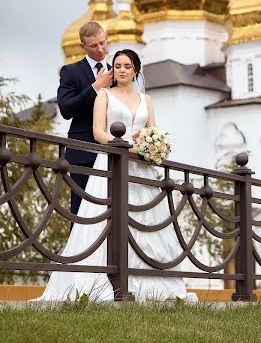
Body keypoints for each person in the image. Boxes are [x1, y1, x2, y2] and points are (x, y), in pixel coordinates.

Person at [39, 49, 196, 302]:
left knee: (145, 221)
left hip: (141, 169)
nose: (121, 70)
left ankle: (153, 285)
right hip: (111, 163)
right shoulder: (104, 95)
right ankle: (106, 282)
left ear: (135, 70)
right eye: (117, 65)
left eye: (127, 66)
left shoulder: (147, 100)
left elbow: (151, 130)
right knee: (104, 220)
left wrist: (153, 146)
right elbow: (98, 132)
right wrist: (127, 147)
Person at [57, 22, 113, 215]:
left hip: (114, 153)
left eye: (103, 43)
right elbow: (66, 109)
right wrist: (96, 87)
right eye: (94, 46)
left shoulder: (118, 72)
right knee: (81, 212)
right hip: (83, 153)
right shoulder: (70, 71)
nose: (100, 49)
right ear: (82, 47)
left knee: (113, 211)